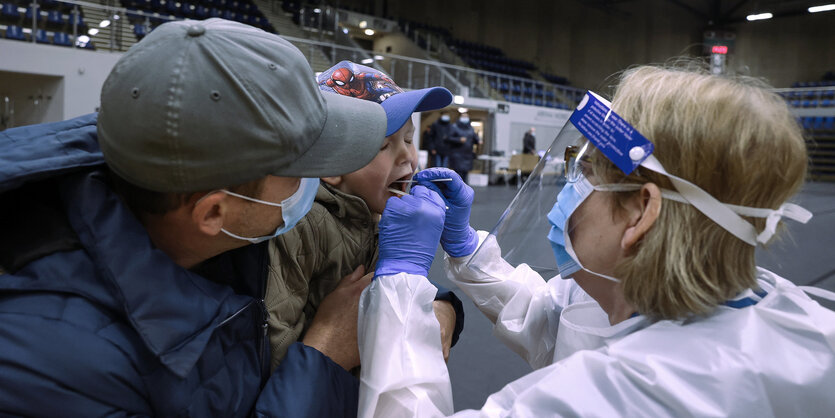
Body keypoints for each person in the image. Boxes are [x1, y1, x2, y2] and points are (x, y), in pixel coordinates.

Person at [355, 65, 835, 416]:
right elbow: (557, 320)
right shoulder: (757, 310)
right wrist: (466, 247)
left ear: (643, 211)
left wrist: (400, 287)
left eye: (584, 173)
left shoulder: (629, 397)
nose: (567, 189)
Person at [0, 19, 389, 417]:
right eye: (300, 172)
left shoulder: (184, 203)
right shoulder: (53, 368)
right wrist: (324, 355)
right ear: (214, 212)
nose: (316, 182)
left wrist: (435, 305)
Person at [265, 61, 463, 370]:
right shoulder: (302, 227)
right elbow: (273, 353)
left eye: (409, 139)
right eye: (383, 145)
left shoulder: (377, 215)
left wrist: (441, 304)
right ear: (330, 167)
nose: (407, 157)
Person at [446, 112, 481, 181]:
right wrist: (459, 140)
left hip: (467, 155)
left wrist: (478, 140)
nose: (465, 118)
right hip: (457, 154)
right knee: (458, 174)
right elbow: (448, 138)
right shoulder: (454, 127)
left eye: (466, 117)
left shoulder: (471, 128)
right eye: (463, 116)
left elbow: (474, 137)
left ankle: (464, 189)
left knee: (465, 174)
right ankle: (457, 189)